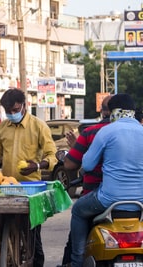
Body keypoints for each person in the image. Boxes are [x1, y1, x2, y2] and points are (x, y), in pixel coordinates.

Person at [0, 88, 57, 267]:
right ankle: (2, 260)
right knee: (2, 235)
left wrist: (38, 165)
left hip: (31, 190)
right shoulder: (2, 127)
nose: (12, 114)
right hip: (5, 188)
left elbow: (52, 156)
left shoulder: (39, 126)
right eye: (8, 111)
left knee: (33, 238)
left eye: (15, 110)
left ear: (24, 106)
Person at [70, 93, 143, 267]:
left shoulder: (107, 131)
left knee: (78, 211)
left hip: (108, 199)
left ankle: (77, 261)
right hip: (141, 201)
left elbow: (87, 165)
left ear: (112, 112)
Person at [57, 95, 112, 267]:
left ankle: (76, 262)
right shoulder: (137, 133)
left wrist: (77, 149)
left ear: (103, 111)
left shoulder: (93, 132)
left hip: (98, 194)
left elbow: (74, 163)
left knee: (78, 213)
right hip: (133, 198)